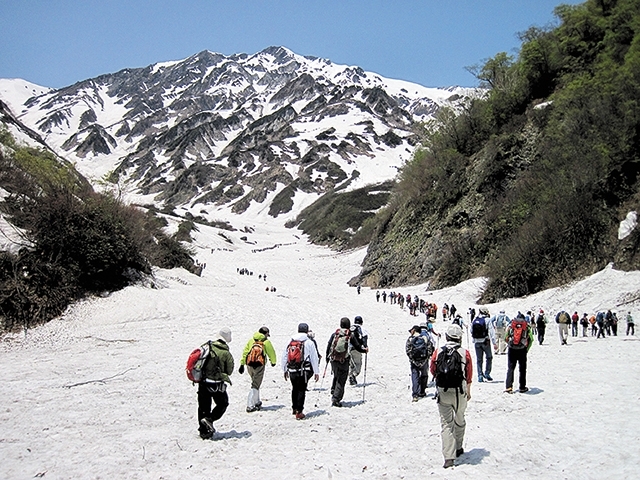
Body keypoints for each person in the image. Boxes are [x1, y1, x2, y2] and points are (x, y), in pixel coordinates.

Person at [430, 324, 473, 469]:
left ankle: (449, 457)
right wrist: (468, 391)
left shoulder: (438, 352)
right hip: (459, 392)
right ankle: (459, 447)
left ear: (447, 337)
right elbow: (468, 374)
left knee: (446, 424)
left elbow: (433, 370)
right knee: (460, 419)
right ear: (459, 337)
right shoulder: (464, 352)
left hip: (443, 392)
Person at [198, 327, 234, 439]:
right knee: (223, 403)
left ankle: (204, 432)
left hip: (203, 381)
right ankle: (210, 420)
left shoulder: (207, 346)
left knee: (203, 407)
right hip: (217, 383)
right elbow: (229, 371)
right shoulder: (225, 353)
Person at [326, 317, 368, 407]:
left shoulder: (335, 334)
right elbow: (357, 346)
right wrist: (364, 350)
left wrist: (327, 358)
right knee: (341, 379)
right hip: (343, 360)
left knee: (336, 375)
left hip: (334, 359)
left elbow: (329, 345)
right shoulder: (350, 335)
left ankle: (333, 390)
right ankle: (336, 399)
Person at [282, 323, 320, 420]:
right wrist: (316, 372)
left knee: (294, 388)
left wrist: (285, 370)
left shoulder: (291, 341)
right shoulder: (309, 342)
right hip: (304, 370)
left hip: (292, 369)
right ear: (307, 331)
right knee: (302, 389)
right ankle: (299, 411)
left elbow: (284, 356)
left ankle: (294, 408)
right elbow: (314, 358)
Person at [239, 326, 277, 413]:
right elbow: (271, 352)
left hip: (249, 364)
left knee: (255, 382)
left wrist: (242, 363)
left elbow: (245, 352)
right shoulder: (266, 342)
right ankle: (250, 405)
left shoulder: (251, 340)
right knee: (255, 384)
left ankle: (257, 401)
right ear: (265, 333)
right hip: (259, 365)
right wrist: (273, 362)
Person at [504, 313, 534, 393]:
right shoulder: (526, 326)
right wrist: (526, 349)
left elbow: (505, 337)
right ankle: (522, 387)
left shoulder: (512, 325)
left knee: (510, 368)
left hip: (512, 350)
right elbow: (531, 339)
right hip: (522, 350)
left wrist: (510, 344)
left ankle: (509, 387)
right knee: (522, 369)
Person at [406, 325, 433, 401]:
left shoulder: (410, 339)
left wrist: (412, 359)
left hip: (414, 362)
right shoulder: (424, 338)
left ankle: (415, 395)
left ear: (414, 330)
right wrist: (426, 358)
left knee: (415, 376)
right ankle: (422, 391)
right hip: (424, 361)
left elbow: (408, 350)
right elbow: (429, 348)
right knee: (424, 375)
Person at [471, 307, 494, 382]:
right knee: (489, 357)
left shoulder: (475, 320)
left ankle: (480, 375)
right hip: (485, 341)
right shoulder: (487, 320)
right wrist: (494, 342)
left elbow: (471, 330)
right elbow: (491, 331)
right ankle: (487, 373)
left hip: (477, 342)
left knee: (479, 359)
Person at [349, 316, 369, 385]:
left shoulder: (350, 328)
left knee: (351, 364)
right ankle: (353, 375)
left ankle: (351, 376)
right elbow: (364, 338)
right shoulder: (362, 329)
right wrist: (365, 347)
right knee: (358, 364)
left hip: (348, 349)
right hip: (357, 348)